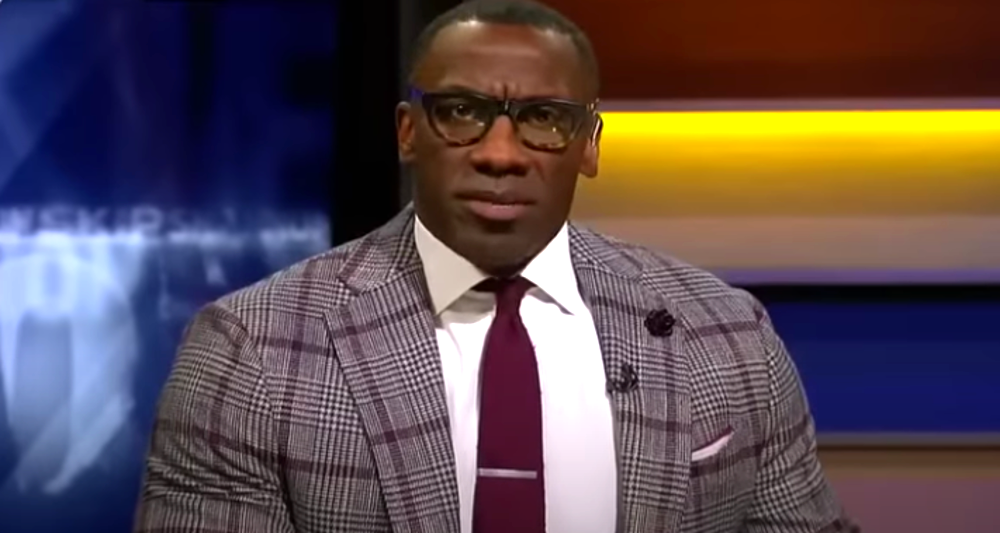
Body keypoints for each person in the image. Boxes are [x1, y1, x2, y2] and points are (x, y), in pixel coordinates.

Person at [134, 1, 858, 532]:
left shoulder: (726, 334)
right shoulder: (252, 348)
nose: (500, 153)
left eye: (544, 118)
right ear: (408, 132)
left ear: (590, 144)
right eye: (461, 111)